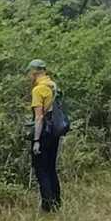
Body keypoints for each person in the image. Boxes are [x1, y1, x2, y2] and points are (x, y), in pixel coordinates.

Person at [26, 59, 62, 212]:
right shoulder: (53, 86)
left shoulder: (38, 90)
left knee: (41, 169)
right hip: (55, 132)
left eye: (30, 72)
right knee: (51, 167)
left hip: (43, 133)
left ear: (35, 72)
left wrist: (36, 140)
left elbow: (39, 117)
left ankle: (48, 206)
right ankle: (57, 202)